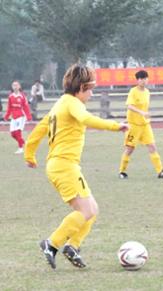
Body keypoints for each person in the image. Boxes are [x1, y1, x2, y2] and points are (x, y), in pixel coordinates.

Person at [24, 64, 129, 269]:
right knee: (87, 210)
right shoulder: (73, 103)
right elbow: (85, 118)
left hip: (58, 165)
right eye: (90, 89)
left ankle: (72, 246)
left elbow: (38, 131)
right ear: (80, 88)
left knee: (92, 209)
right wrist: (115, 126)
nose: (91, 94)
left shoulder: (59, 105)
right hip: (64, 166)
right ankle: (52, 243)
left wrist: (30, 155)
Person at [118, 70, 163, 179]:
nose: (143, 81)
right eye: (141, 79)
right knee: (130, 149)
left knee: (152, 146)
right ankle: (122, 172)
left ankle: (160, 171)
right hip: (134, 126)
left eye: (145, 78)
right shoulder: (133, 91)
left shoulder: (147, 92)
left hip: (145, 125)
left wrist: (145, 114)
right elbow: (129, 106)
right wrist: (141, 113)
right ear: (137, 80)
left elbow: (144, 108)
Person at [4, 80, 32, 154]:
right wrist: (7, 116)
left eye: (16, 85)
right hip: (14, 117)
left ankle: (20, 149)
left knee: (18, 132)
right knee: (13, 134)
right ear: (12, 87)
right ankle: (24, 142)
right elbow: (9, 107)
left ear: (19, 87)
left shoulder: (22, 96)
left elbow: (26, 107)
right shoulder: (10, 96)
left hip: (21, 116)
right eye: (14, 85)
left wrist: (28, 116)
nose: (15, 87)